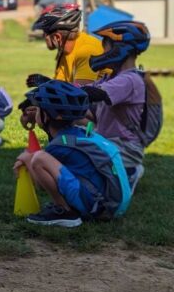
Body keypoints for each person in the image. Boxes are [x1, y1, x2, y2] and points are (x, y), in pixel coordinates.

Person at [14, 80, 130, 228]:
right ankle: (71, 207)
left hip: (97, 207)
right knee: (39, 157)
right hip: (110, 205)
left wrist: (26, 158)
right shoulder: (76, 135)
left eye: (37, 109)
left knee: (39, 159)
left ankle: (65, 212)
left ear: (48, 116)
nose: (34, 112)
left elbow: (40, 184)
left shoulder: (59, 146)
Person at [82, 20, 152, 192]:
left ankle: (128, 171)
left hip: (123, 146)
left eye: (104, 46)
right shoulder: (111, 79)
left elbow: (95, 93)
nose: (101, 52)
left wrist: (65, 93)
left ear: (119, 48)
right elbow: (90, 104)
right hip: (109, 141)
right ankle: (124, 169)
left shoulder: (129, 80)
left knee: (79, 170)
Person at [21, 4, 107, 128]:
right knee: (46, 111)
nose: (44, 37)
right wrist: (32, 105)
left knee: (54, 112)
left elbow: (80, 96)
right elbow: (60, 89)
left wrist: (41, 107)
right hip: (94, 107)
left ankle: (94, 139)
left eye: (45, 33)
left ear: (57, 37)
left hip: (107, 111)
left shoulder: (86, 50)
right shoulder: (66, 52)